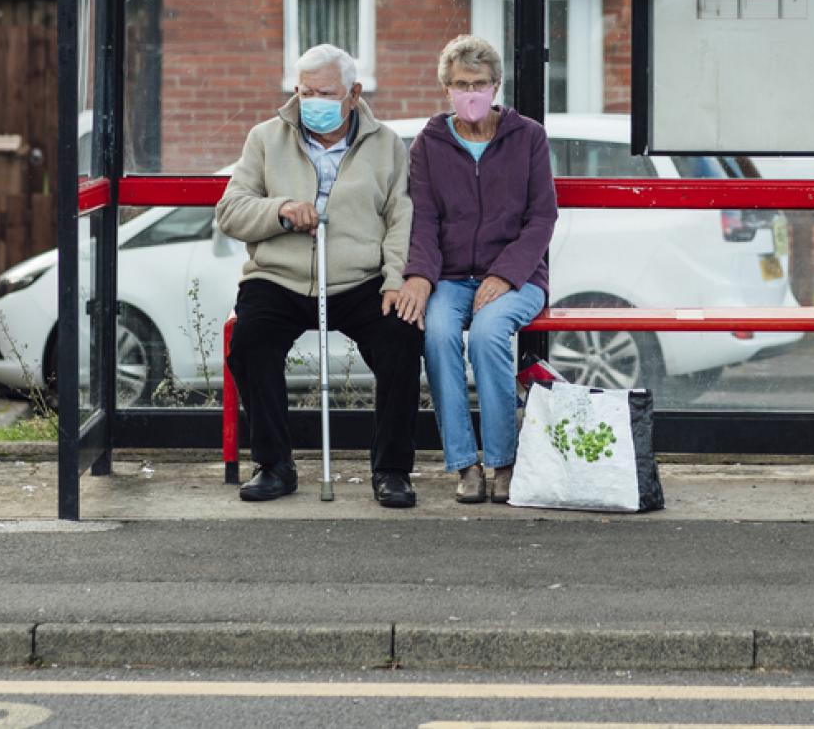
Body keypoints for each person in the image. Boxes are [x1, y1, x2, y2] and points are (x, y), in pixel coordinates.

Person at [214, 43, 421, 508]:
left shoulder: (387, 144)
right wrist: (282, 211)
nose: (313, 103)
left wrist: (394, 278)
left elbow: (400, 218)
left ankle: (391, 470)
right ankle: (274, 464)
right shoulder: (266, 138)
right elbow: (230, 210)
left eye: (325, 93)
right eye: (304, 92)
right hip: (279, 276)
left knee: (401, 337)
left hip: (359, 278)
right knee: (250, 342)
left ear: (353, 94)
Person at [393, 34, 558, 504]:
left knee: (488, 336)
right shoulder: (428, 144)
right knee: (437, 335)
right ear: (446, 87)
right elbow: (422, 217)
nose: (471, 92)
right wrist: (420, 276)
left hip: (518, 277)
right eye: (461, 83)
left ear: (496, 85)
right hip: (449, 276)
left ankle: (503, 461)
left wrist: (505, 274)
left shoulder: (528, 137)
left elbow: (542, 216)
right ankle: (465, 463)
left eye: (480, 83)